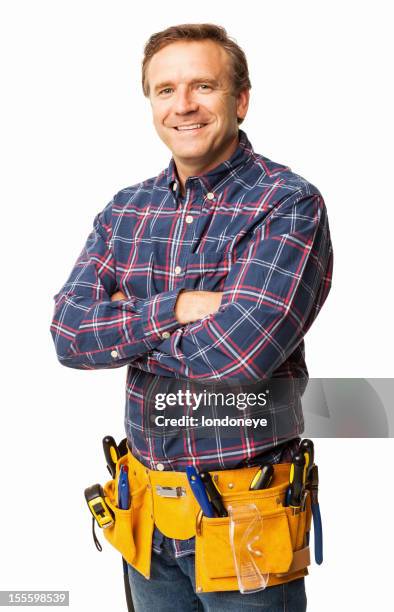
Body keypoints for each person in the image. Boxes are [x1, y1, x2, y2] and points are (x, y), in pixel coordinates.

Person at [50, 23, 333, 612]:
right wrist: (177, 309)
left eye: (204, 85)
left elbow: (236, 356)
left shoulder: (286, 203)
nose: (183, 105)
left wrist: (126, 327)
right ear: (151, 102)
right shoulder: (126, 210)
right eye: (165, 89)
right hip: (147, 512)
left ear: (241, 99)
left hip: (248, 521)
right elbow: (69, 334)